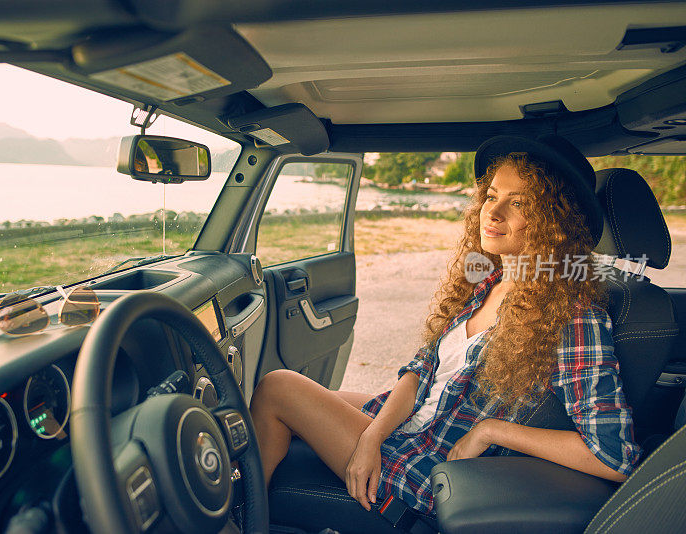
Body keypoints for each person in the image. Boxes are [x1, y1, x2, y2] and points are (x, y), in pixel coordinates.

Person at [249, 135, 641, 518]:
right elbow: (421, 370)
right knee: (309, 397)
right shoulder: (491, 281)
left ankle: (245, 521)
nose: (494, 212)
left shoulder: (573, 316)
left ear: (555, 223)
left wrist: (492, 431)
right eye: (492, 196)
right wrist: (371, 435)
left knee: (278, 387)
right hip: (415, 423)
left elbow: (613, 454)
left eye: (518, 202)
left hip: (432, 466)